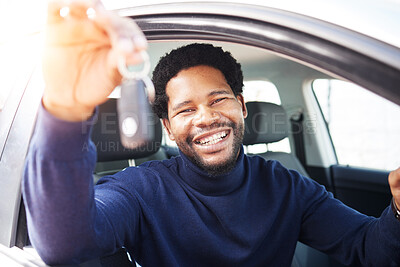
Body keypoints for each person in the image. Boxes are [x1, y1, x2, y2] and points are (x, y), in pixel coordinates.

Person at [23, 1, 400, 266]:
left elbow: (368, 249)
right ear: (168, 127)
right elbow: (65, 243)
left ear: (242, 106)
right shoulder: (139, 190)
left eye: (218, 100)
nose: (206, 118)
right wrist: (66, 110)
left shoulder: (288, 186)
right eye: (185, 110)